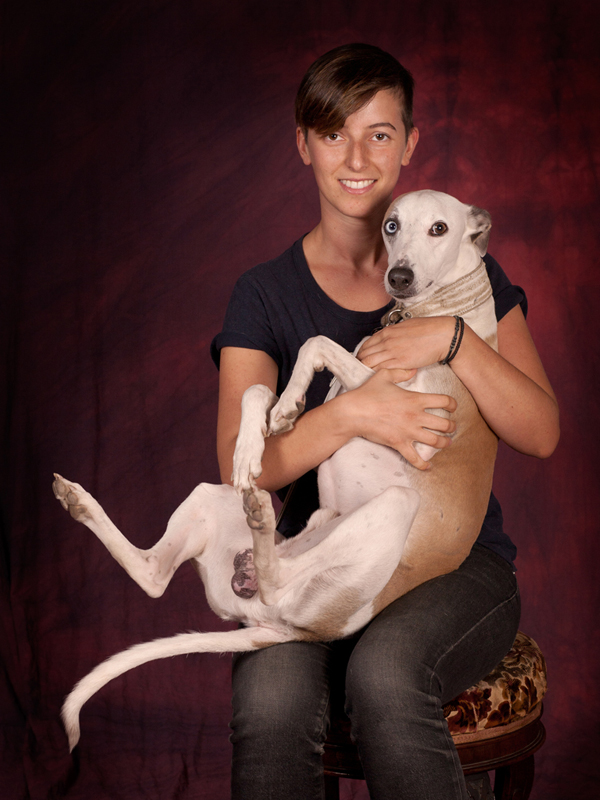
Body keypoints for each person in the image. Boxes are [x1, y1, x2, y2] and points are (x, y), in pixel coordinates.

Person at [211, 43, 559, 800]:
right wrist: (352, 412)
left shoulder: (465, 268)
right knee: (270, 703)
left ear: (409, 144)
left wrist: (456, 339)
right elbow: (245, 470)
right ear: (303, 144)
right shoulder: (264, 294)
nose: (357, 157)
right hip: (325, 550)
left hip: (455, 558)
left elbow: (540, 432)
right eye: (334, 133)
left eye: (379, 132)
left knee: (386, 676)